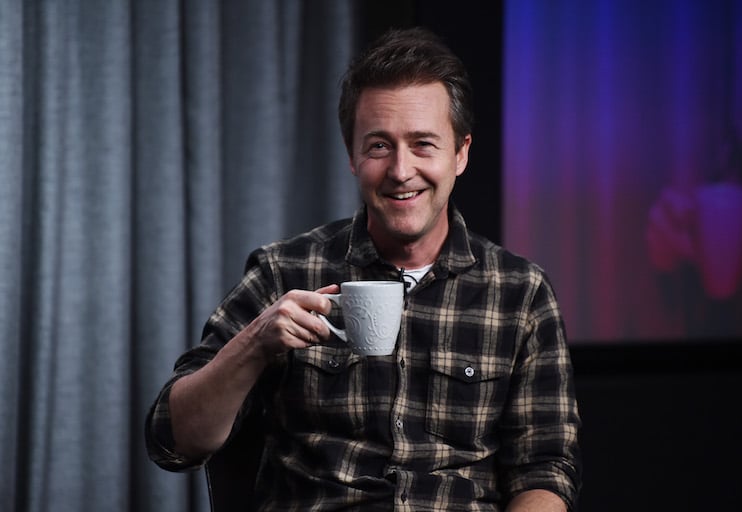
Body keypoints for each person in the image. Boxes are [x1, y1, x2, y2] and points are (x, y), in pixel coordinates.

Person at [146, 27, 581, 511]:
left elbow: (544, 469)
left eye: (423, 144)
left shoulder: (520, 292)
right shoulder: (283, 272)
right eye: (378, 146)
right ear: (352, 155)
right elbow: (173, 440)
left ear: (460, 153)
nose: (400, 170)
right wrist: (256, 342)